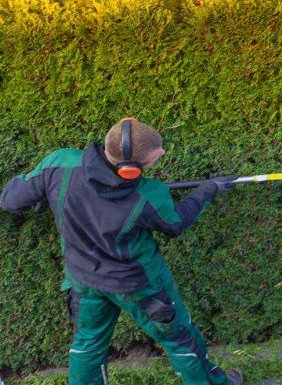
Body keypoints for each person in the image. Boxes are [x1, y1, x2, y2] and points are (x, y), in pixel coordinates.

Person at [0, 117, 243, 385]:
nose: (160, 155)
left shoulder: (60, 164)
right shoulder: (148, 195)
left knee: (88, 346)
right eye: (154, 158)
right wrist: (207, 190)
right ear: (130, 171)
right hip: (140, 287)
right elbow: (175, 223)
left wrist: (44, 193)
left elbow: (10, 200)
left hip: (83, 280)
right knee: (178, 337)